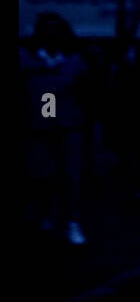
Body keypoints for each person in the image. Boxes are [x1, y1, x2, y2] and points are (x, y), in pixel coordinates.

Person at [20, 12, 91, 245]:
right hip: (37, 128)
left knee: (71, 177)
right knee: (40, 175)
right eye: (46, 28)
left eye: (56, 29)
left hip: (68, 128)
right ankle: (46, 216)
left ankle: (72, 221)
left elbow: (86, 94)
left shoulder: (74, 61)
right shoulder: (25, 59)